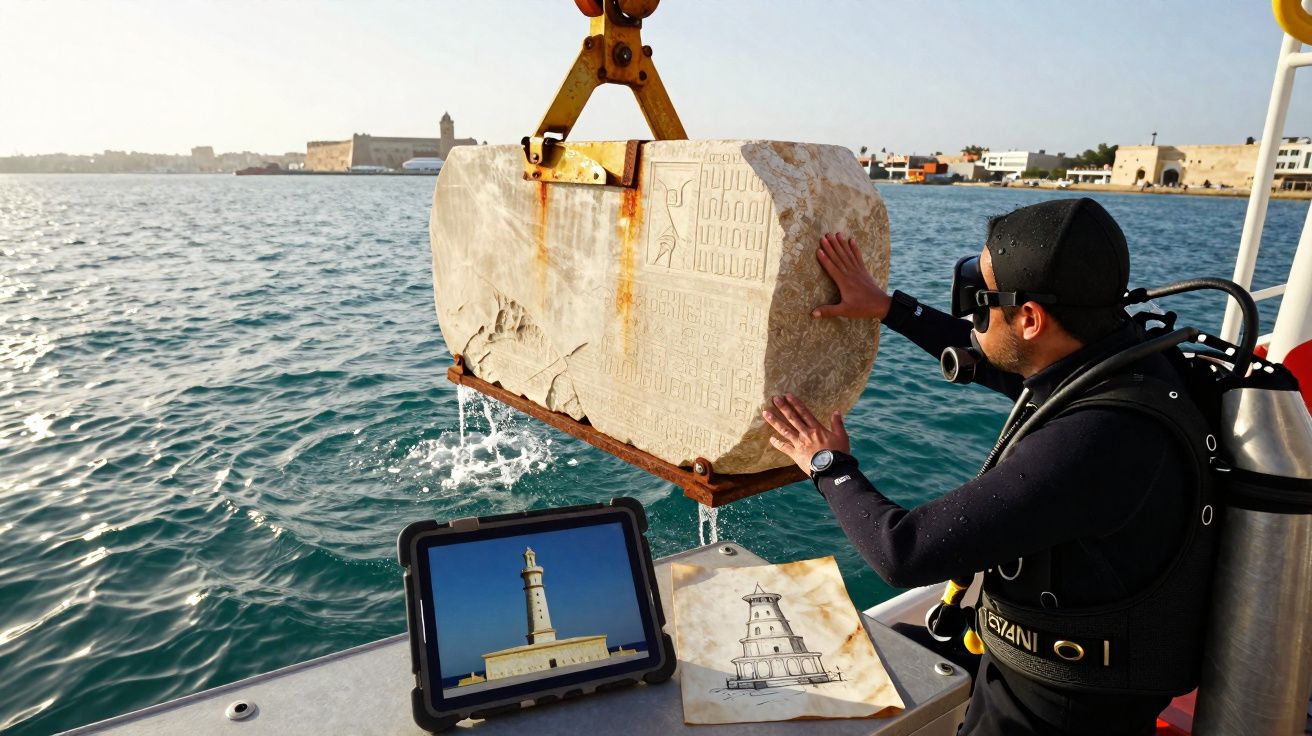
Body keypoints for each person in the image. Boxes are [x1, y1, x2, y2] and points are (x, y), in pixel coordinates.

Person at [761, 198, 1215, 736]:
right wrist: (887, 307)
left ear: (1029, 317)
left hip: (1055, 708)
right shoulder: (1123, 362)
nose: (970, 318)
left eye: (981, 302)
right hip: (1046, 665)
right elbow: (1004, 368)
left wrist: (827, 463)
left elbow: (903, 552)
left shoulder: (1099, 441)